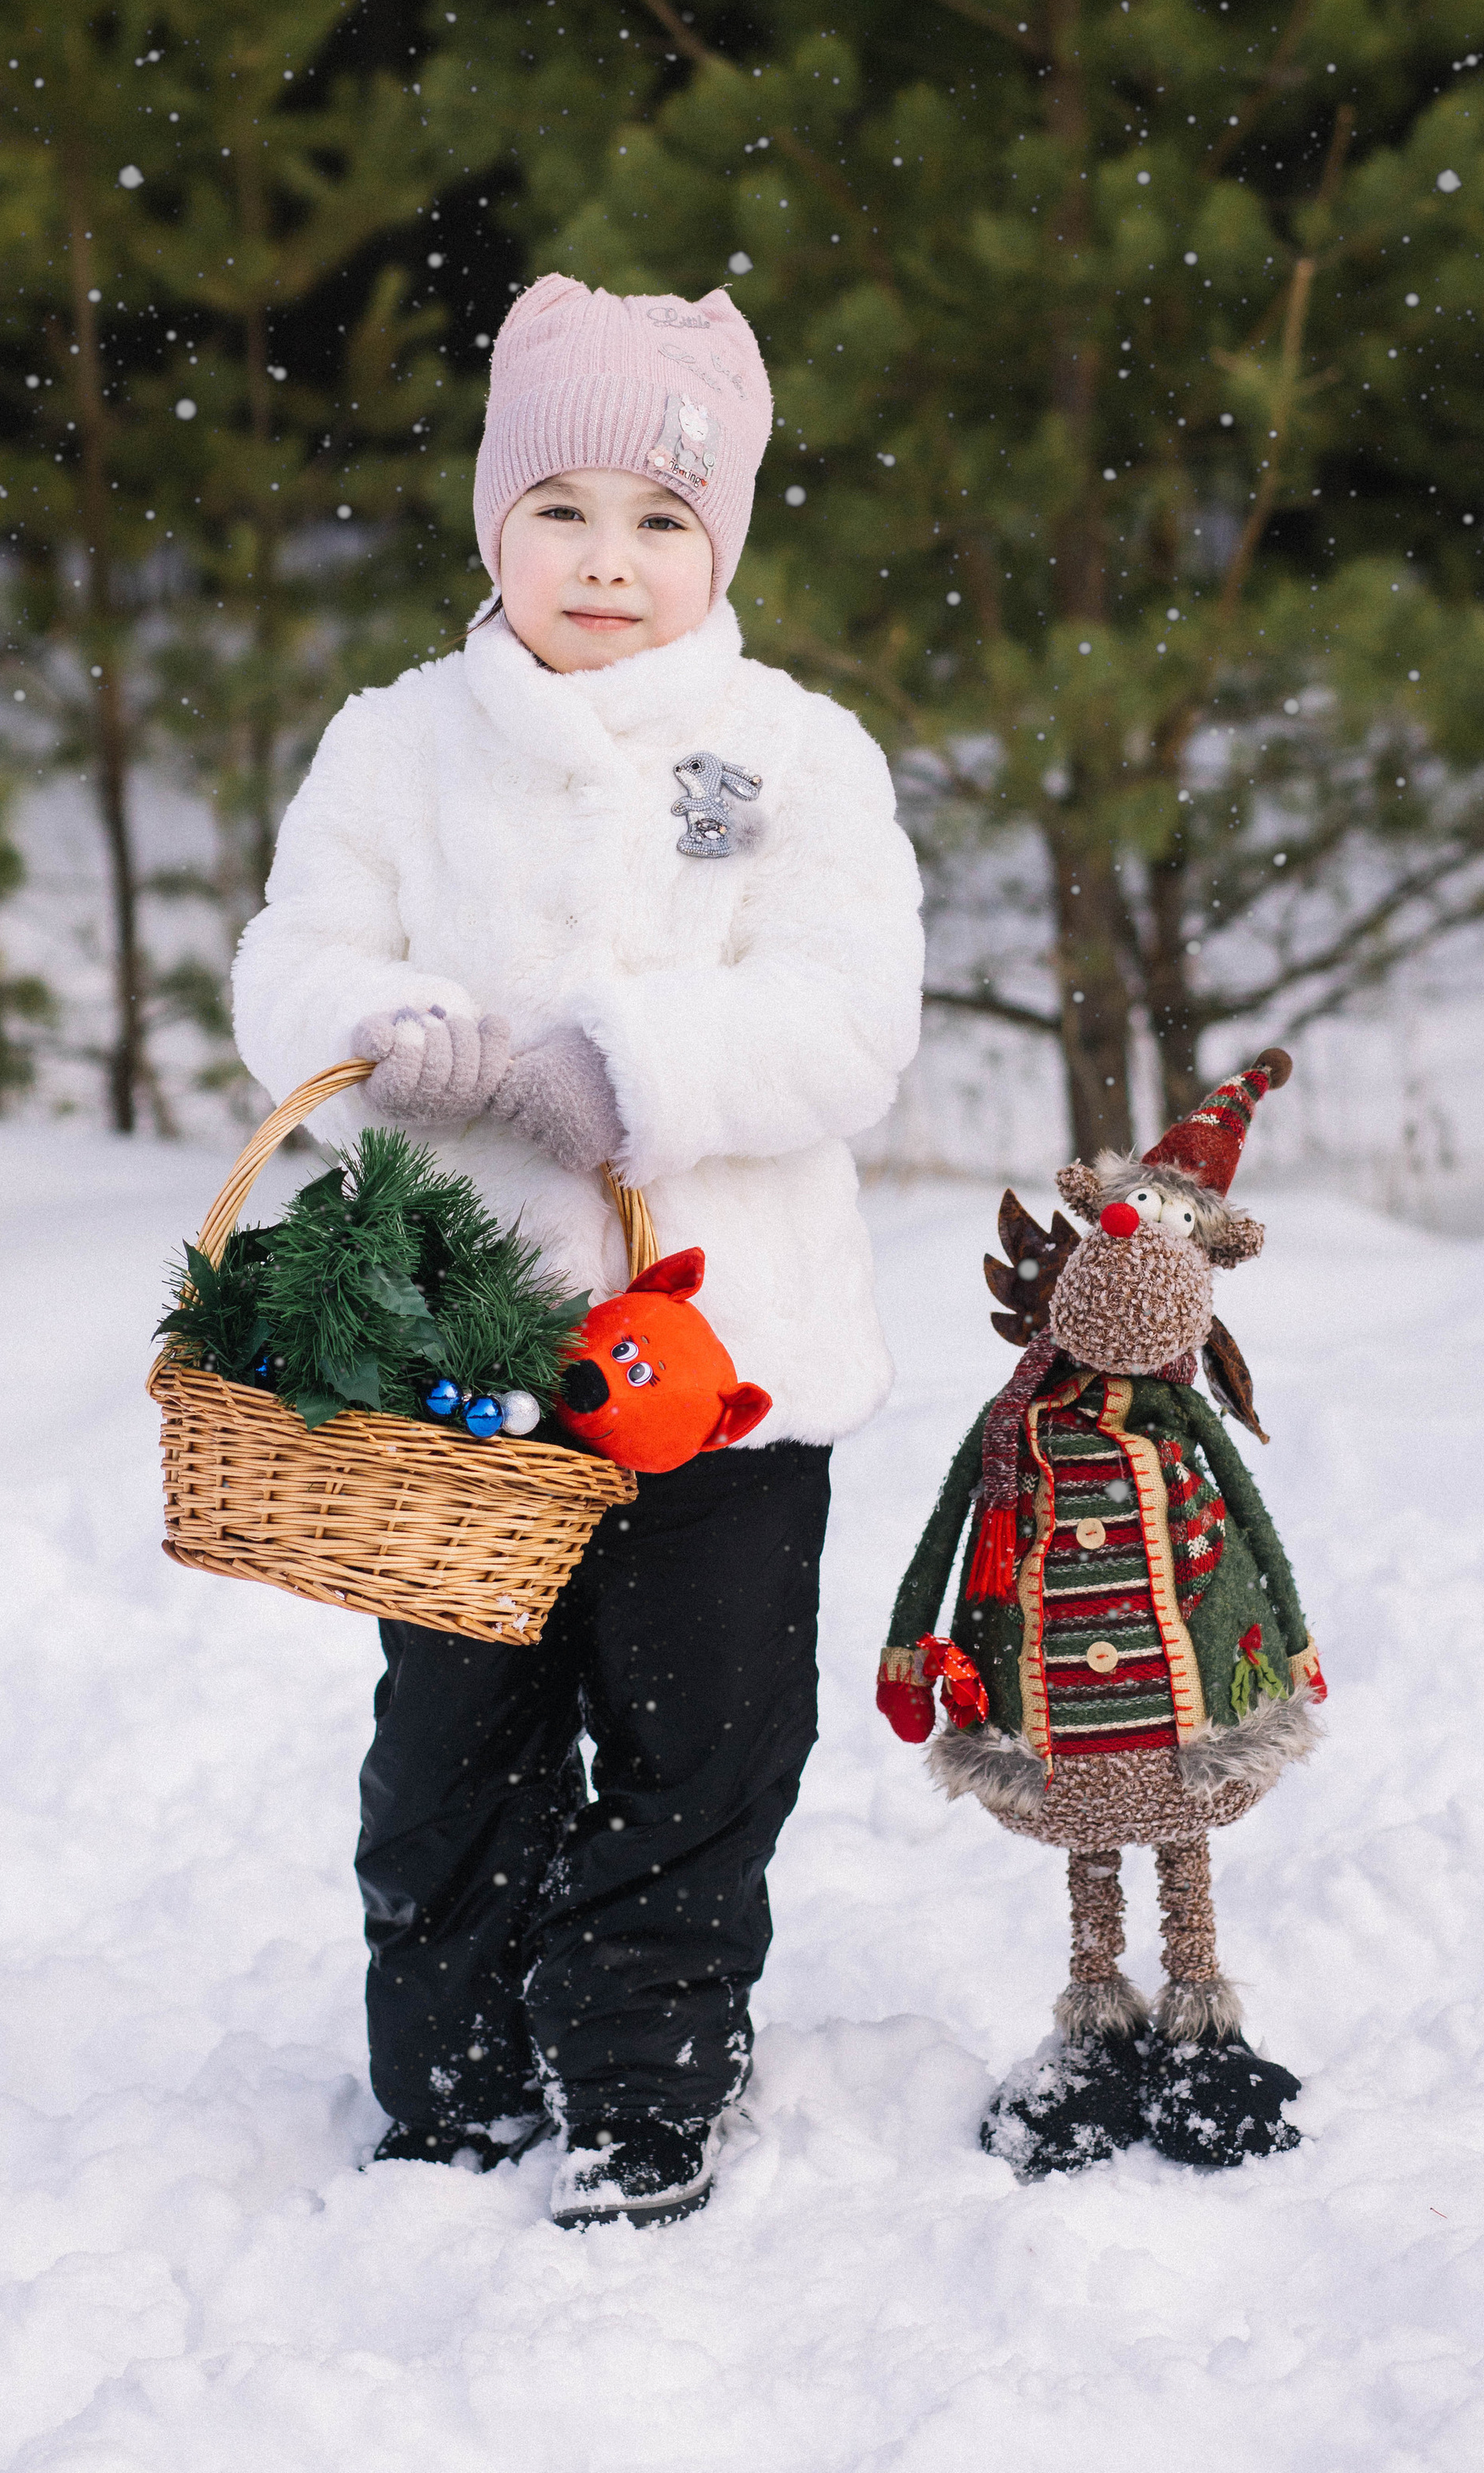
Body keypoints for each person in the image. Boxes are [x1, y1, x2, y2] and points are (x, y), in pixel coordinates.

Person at [232, 272, 924, 2228]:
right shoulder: (395, 744)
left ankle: (638, 2079)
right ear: (490, 523)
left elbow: (844, 1020)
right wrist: (392, 1028)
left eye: (658, 522)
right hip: (466, 1349)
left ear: (720, 545)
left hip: (724, 1361)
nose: (603, 564)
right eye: (559, 512)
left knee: (705, 1738)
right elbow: (282, 967)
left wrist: (625, 1067)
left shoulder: (794, 756)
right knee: (457, 1732)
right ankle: (448, 2074)